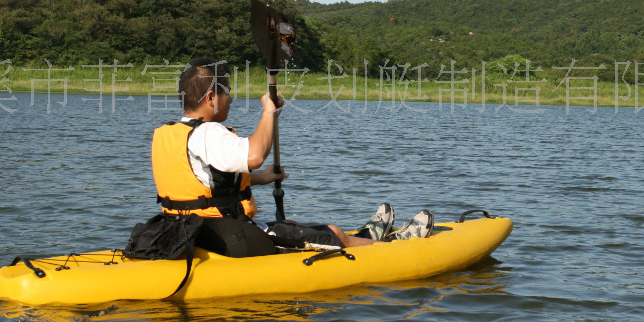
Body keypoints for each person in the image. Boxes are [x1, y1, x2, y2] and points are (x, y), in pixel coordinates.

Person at [151, 57, 433, 256]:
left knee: (299, 227)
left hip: (190, 232)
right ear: (212, 98)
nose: (231, 100)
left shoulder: (170, 133)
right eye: (228, 94)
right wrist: (269, 112)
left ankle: (366, 237)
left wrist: (261, 180)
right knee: (333, 234)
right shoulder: (209, 132)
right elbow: (255, 155)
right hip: (229, 237)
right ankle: (398, 249)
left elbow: (208, 183)